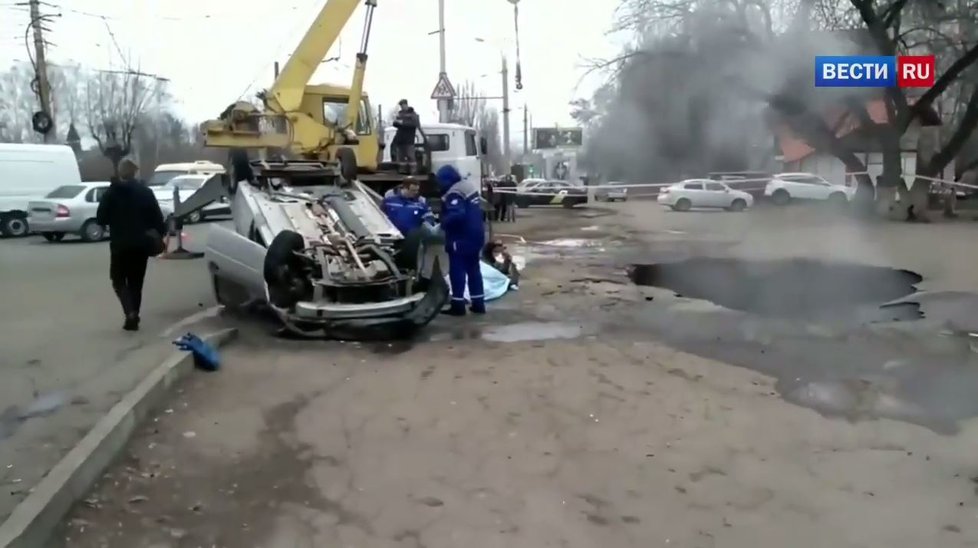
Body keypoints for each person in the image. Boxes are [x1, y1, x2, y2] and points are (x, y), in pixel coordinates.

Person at [96, 158, 167, 331]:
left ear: (121, 172)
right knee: (136, 282)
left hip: (120, 245)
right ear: (135, 172)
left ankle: (130, 314)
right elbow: (158, 220)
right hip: (141, 244)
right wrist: (159, 234)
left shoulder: (111, 193)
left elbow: (101, 218)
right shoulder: (146, 192)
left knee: (118, 280)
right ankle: (134, 314)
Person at [436, 164, 485, 315]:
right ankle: (478, 304)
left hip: (462, 237)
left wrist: (442, 223)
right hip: (477, 235)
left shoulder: (454, 192)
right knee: (474, 269)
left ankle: (457, 305)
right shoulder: (468, 186)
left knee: (457, 270)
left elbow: (457, 214)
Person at [392, 99, 420, 171]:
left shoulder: (413, 114)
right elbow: (395, 123)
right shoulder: (400, 114)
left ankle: (413, 171)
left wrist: (403, 123)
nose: (402, 107)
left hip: (409, 139)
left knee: (411, 156)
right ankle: (402, 171)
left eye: (403, 105)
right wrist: (397, 122)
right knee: (401, 157)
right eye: (401, 106)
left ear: (406, 105)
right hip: (400, 139)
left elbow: (415, 124)